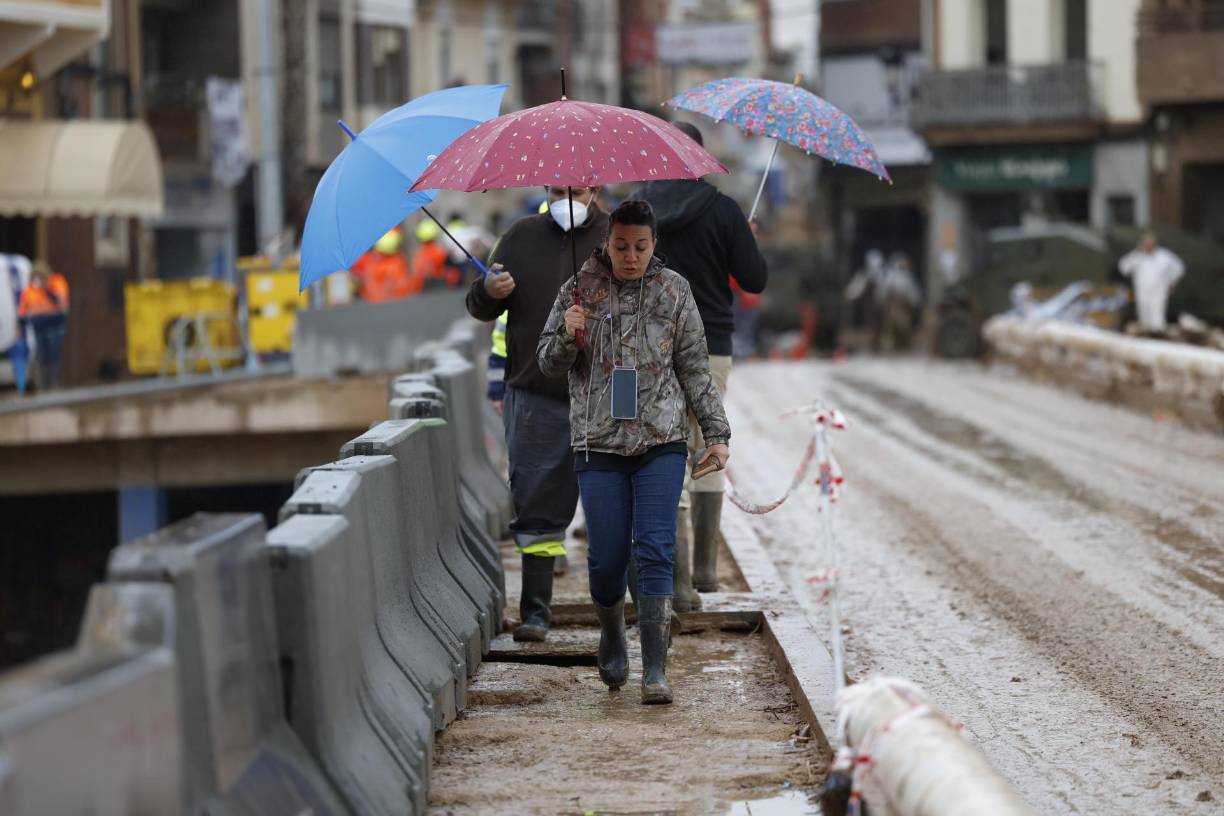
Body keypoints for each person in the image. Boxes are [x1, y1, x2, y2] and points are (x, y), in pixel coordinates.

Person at [538, 199, 731, 705]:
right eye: (621, 246)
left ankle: (656, 669)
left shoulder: (674, 292)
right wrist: (567, 336)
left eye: (641, 247)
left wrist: (717, 435)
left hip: (660, 441)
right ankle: (611, 633)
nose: (630, 256)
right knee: (605, 560)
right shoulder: (578, 292)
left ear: (654, 245)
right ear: (607, 241)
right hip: (597, 442)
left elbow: (695, 369)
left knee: (654, 548)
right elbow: (547, 365)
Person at [465, 185, 608, 641]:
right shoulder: (519, 237)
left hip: (605, 396)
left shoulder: (618, 236)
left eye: (576, 189)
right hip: (535, 393)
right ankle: (537, 610)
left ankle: (619, 613)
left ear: (596, 188)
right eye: (556, 189)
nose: (566, 196)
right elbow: (481, 307)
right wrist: (488, 290)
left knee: (613, 504)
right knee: (535, 498)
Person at [636, 122, 767, 611]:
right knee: (708, 445)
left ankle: (681, 581)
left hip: (653, 347)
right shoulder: (723, 210)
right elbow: (754, 279)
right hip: (711, 345)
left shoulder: (639, 210)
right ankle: (708, 568)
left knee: (667, 450)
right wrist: (745, 241)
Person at [1118, 231, 1185, 333]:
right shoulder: (1137, 257)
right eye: (1146, 243)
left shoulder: (1164, 256)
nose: (1148, 246)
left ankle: (1159, 339)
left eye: (1150, 243)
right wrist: (1136, 254)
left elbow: (1179, 268)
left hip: (1159, 291)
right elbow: (1123, 268)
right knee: (1144, 319)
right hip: (1142, 292)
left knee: (1157, 319)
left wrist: (1172, 282)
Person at [17, 262, 69, 391]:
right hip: (39, 328)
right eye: (35, 276)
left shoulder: (57, 282)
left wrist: (46, 289)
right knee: (42, 356)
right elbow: (23, 307)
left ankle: (54, 385)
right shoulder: (30, 289)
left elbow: (61, 302)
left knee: (53, 354)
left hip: (54, 327)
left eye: (40, 276)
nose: (37, 279)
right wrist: (20, 325)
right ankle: (44, 386)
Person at [352, 227, 417, 302]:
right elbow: (406, 287)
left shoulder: (371, 264)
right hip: (399, 304)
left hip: (377, 305)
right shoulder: (399, 263)